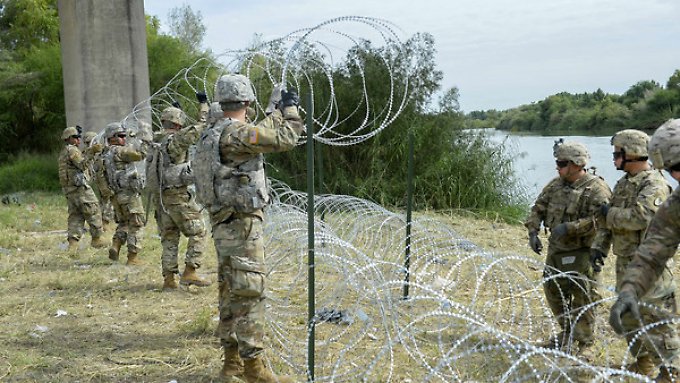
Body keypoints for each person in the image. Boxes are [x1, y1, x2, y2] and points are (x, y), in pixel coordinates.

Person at [193, 74, 303, 383]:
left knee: (230, 289)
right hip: (241, 224)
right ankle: (253, 368)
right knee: (251, 291)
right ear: (247, 102)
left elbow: (259, 132)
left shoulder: (213, 131)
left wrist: (273, 110)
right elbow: (285, 138)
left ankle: (231, 363)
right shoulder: (236, 135)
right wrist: (290, 109)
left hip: (223, 223)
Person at [591, 129, 672, 376]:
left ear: (633, 153)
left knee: (657, 320)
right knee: (629, 318)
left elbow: (641, 216)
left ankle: (671, 371)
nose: (614, 158)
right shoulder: (624, 183)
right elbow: (609, 222)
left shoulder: (654, 183)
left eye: (618, 153)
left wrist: (610, 214)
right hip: (625, 261)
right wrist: (598, 247)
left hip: (649, 264)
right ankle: (644, 363)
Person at [524, 140, 612, 357]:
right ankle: (568, 331)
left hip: (583, 251)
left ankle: (585, 343)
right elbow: (538, 208)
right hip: (556, 251)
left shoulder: (596, 189)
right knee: (554, 292)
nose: (558, 167)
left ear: (576, 164)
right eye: (557, 162)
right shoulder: (555, 185)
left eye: (562, 163)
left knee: (584, 295)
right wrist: (533, 232)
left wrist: (570, 228)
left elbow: (601, 220)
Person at [610, 119, 680, 382]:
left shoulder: (654, 186)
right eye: (672, 170)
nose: (676, 177)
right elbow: (654, 250)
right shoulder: (676, 204)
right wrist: (630, 289)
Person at [148, 94, 211, 290]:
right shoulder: (177, 139)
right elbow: (203, 125)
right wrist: (204, 105)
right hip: (177, 196)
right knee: (199, 231)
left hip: (161, 198)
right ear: (178, 124)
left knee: (169, 237)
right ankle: (190, 271)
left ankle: (169, 279)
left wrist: (179, 110)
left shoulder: (156, 140)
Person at [102, 122, 147, 266]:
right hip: (129, 195)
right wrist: (141, 138)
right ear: (113, 138)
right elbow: (141, 154)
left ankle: (116, 245)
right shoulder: (120, 151)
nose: (124, 139)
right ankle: (132, 257)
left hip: (116, 196)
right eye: (121, 136)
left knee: (124, 223)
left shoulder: (105, 153)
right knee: (137, 224)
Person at [58, 126, 107, 251]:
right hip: (79, 189)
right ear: (69, 138)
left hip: (70, 190)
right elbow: (82, 164)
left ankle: (73, 244)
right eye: (75, 137)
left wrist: (89, 151)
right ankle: (97, 239)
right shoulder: (72, 150)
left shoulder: (65, 151)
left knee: (76, 215)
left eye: (78, 137)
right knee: (93, 209)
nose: (78, 140)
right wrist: (92, 152)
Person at [82, 130, 115, 230]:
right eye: (88, 143)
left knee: (106, 201)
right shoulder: (88, 153)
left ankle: (104, 222)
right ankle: (102, 222)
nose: (90, 144)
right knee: (103, 201)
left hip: (103, 179)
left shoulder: (102, 150)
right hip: (96, 180)